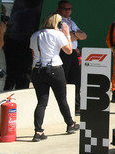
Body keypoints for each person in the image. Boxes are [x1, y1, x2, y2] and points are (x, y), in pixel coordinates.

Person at [29, 13, 80, 141]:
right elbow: (68, 50)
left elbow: (33, 54)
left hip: (37, 70)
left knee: (41, 102)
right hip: (55, 69)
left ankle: (38, 131)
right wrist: (67, 33)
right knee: (62, 99)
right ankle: (70, 124)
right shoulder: (57, 34)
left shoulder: (35, 35)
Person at [57, 0, 87, 114]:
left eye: (69, 9)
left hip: (73, 53)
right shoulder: (57, 20)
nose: (68, 11)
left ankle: (76, 106)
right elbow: (64, 40)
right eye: (65, 9)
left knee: (76, 80)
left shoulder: (71, 22)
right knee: (62, 80)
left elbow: (83, 35)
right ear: (59, 9)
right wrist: (74, 35)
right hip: (63, 52)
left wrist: (73, 35)